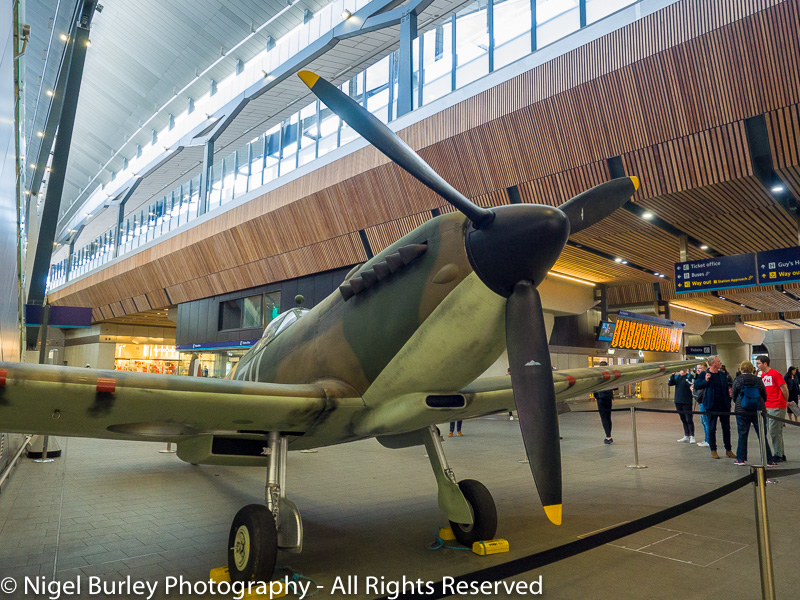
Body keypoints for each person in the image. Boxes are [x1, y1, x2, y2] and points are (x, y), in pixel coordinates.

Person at [731, 360, 776, 466]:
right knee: (762, 435)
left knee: (742, 434)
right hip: (758, 410)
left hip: (742, 411)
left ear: (741, 369)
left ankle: (740, 459)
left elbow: (734, 395)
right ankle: (768, 459)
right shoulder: (758, 380)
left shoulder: (738, 380)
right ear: (752, 369)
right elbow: (764, 395)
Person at [694, 356, 735, 459]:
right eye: (718, 361)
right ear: (712, 363)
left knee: (726, 428)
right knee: (712, 428)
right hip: (711, 405)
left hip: (724, 405)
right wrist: (706, 380)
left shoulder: (722, 374)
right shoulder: (704, 374)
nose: (720, 362)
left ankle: (728, 449)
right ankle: (713, 450)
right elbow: (697, 385)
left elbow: (726, 386)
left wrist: (729, 395)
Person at [756, 355, 788, 461]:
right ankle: (780, 452)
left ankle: (778, 454)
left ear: (765, 363)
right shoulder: (763, 375)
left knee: (774, 430)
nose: (757, 365)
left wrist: (784, 401)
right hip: (768, 405)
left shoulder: (775, 374)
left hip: (777, 405)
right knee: (774, 430)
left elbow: (784, 388)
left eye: (759, 363)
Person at [668, 369, 695, 443]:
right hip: (678, 400)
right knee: (683, 419)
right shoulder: (676, 377)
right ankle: (686, 435)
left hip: (686, 401)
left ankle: (692, 435)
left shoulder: (689, 376)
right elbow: (670, 383)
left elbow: (691, 384)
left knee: (689, 419)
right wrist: (672, 374)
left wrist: (686, 378)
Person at [594, 361, 616, 444]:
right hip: (609, 397)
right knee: (608, 416)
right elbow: (616, 387)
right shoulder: (610, 375)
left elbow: (594, 386)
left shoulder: (598, 375)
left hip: (600, 398)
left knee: (603, 417)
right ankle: (608, 435)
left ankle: (608, 436)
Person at [690, 363, 710, 447]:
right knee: (703, 421)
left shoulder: (704, 376)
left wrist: (693, 388)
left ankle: (708, 440)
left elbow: (699, 387)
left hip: (703, 401)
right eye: (697, 368)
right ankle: (706, 439)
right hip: (701, 401)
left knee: (706, 421)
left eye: (700, 368)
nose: (698, 370)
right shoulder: (700, 377)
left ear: (705, 368)